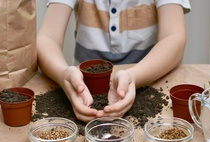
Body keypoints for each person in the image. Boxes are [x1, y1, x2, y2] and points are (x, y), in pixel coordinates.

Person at [36, 0, 191, 122]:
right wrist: (63, 74)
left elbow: (174, 38)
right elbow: (47, 38)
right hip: (83, 88)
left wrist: (133, 77)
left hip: (146, 85)